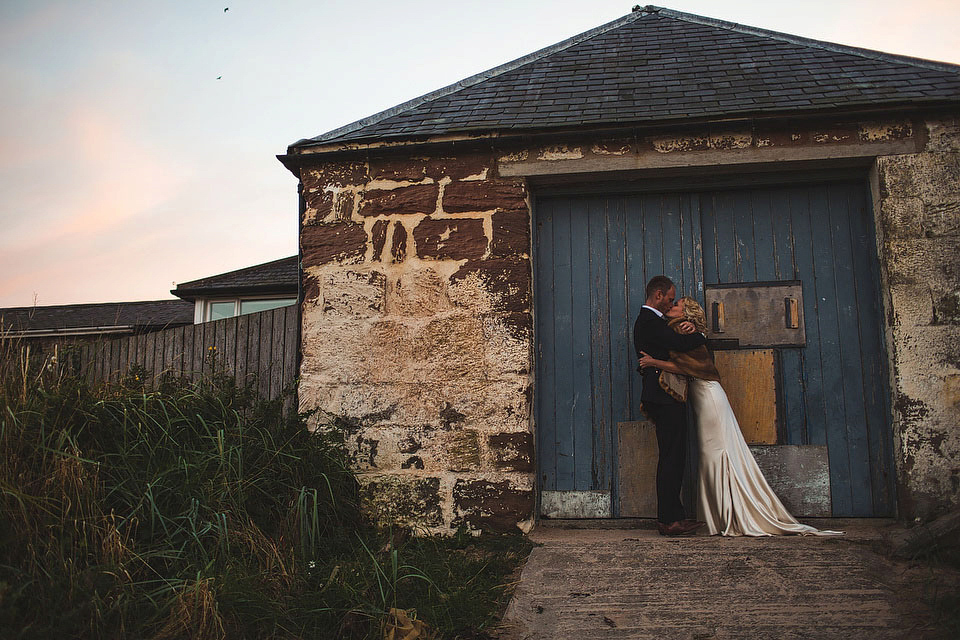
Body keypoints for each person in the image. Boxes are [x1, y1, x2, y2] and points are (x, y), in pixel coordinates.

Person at [638, 296, 842, 537]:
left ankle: (731, 514)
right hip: (702, 399)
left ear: (687, 314)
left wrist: (653, 362)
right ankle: (719, 515)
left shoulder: (686, 332)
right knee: (710, 453)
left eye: (676, 305)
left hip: (709, 398)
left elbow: (688, 368)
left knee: (717, 451)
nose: (670, 307)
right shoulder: (683, 330)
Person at [633, 276, 708, 536]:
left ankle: (674, 516)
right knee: (671, 458)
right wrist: (700, 334)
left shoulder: (656, 322)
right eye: (669, 298)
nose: (671, 302)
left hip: (664, 397)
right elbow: (678, 344)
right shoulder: (649, 321)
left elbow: (674, 342)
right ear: (657, 295)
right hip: (663, 397)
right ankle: (668, 521)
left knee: (673, 457)